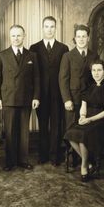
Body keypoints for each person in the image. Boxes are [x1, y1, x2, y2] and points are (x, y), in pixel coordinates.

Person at [0, 25, 40, 171]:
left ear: (24, 36)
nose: (16, 38)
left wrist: (36, 97)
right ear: (10, 37)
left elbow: (37, 78)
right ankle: (10, 161)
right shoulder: (2, 55)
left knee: (24, 132)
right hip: (8, 98)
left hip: (26, 98)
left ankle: (23, 160)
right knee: (9, 131)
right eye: (13, 35)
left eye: (19, 35)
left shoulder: (32, 55)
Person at [64, 59, 104, 182]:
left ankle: (84, 167)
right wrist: (82, 117)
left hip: (102, 120)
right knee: (70, 134)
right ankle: (89, 162)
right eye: (94, 70)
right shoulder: (88, 88)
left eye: (99, 70)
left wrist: (89, 119)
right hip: (88, 118)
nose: (96, 73)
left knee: (83, 135)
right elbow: (83, 106)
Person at [30, 16, 68, 165]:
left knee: (57, 125)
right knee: (43, 124)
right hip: (41, 94)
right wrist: (35, 95)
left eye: (52, 26)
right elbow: (32, 74)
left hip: (58, 93)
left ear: (56, 28)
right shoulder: (34, 48)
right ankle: (43, 154)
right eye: (46, 26)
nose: (49, 29)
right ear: (42, 28)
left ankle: (55, 155)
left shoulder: (63, 48)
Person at [59, 24, 98, 166]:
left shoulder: (94, 55)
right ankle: (84, 161)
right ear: (74, 39)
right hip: (72, 100)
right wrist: (66, 100)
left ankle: (84, 161)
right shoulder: (67, 56)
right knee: (71, 131)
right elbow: (63, 79)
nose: (81, 39)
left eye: (84, 36)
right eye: (78, 36)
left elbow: (96, 79)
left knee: (85, 132)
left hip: (89, 100)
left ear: (88, 38)